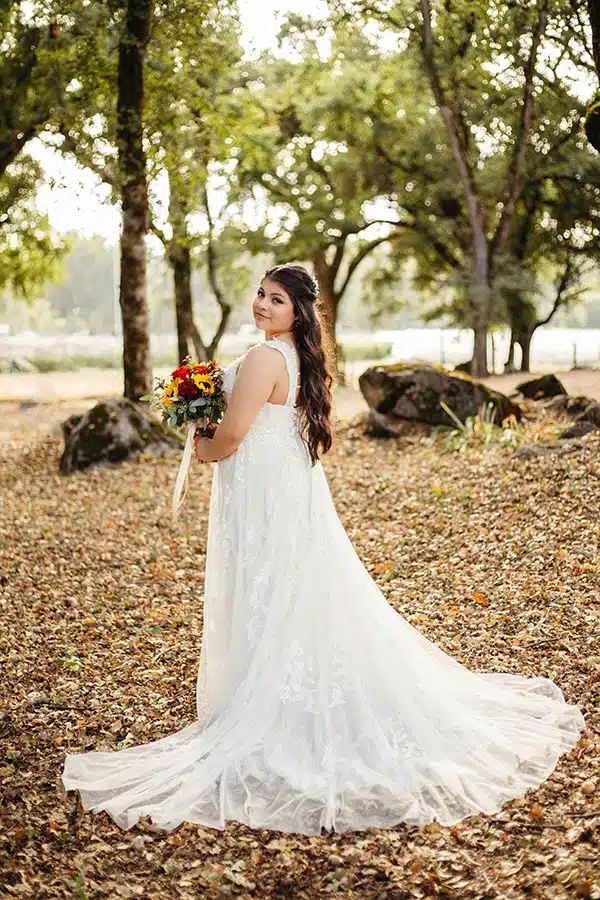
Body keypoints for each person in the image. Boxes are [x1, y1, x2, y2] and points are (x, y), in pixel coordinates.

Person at [61, 262, 585, 835]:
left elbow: (230, 439)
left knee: (273, 591)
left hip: (264, 499)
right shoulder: (295, 358)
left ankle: (274, 710)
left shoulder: (265, 358)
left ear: (297, 312)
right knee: (293, 594)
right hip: (282, 494)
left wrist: (197, 433)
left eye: (276, 300)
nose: (262, 305)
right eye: (260, 294)